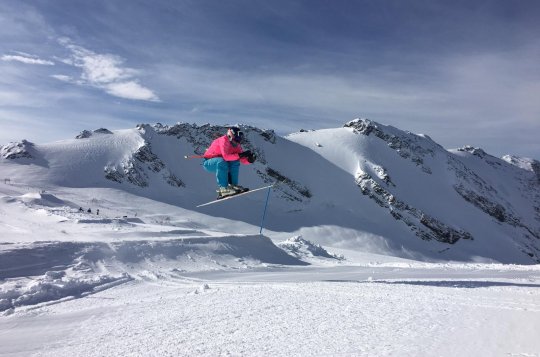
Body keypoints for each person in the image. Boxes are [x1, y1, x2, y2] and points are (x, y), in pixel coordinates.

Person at [202, 127, 256, 198]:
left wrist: (249, 160)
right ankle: (223, 189)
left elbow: (241, 159)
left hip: (223, 162)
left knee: (235, 161)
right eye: (236, 139)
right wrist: (240, 155)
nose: (237, 142)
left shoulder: (237, 145)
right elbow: (226, 156)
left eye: (239, 140)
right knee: (221, 161)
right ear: (230, 136)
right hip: (208, 163)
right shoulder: (223, 140)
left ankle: (233, 185)